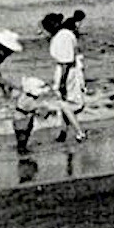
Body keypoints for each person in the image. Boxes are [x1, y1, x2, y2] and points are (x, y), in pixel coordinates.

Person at [41, 12, 87, 142]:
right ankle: (63, 132)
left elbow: (65, 63)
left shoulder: (62, 37)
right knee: (65, 103)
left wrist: (61, 83)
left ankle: (79, 132)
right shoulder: (65, 34)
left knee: (65, 104)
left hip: (67, 73)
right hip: (69, 71)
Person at [13, 76, 85, 152]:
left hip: (22, 119)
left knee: (22, 143)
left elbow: (40, 107)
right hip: (22, 121)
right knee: (22, 143)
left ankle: (23, 154)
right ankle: (78, 132)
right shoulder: (28, 101)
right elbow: (41, 109)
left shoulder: (26, 97)